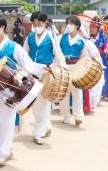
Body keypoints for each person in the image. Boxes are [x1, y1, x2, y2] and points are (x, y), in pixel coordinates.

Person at [0, 14, 46, 168]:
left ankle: (2, 153)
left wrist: (43, 68)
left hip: (9, 89)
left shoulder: (14, 47)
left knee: (6, 121)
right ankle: (5, 149)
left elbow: (28, 64)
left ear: (3, 28)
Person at [24, 11, 66, 144]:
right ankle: (46, 126)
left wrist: (62, 70)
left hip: (46, 73)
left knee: (43, 102)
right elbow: (23, 55)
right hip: (32, 73)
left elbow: (58, 55)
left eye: (39, 23)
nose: (36, 26)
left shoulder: (51, 36)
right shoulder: (29, 37)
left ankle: (38, 132)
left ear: (45, 23)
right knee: (37, 104)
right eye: (34, 24)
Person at [58, 16, 89, 126]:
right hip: (63, 66)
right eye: (68, 23)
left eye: (72, 24)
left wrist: (82, 69)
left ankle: (78, 116)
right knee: (64, 92)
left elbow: (84, 57)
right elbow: (56, 53)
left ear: (77, 26)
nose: (69, 26)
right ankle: (66, 115)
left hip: (76, 67)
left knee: (77, 92)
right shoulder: (60, 38)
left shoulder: (81, 41)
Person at [89, 16, 108, 102]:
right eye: (90, 26)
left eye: (94, 27)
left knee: (103, 81)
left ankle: (106, 95)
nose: (92, 29)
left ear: (98, 28)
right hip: (89, 64)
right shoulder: (87, 38)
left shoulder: (103, 39)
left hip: (101, 63)